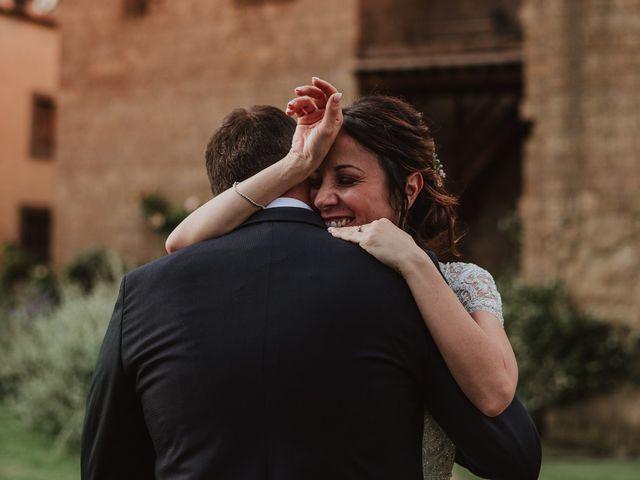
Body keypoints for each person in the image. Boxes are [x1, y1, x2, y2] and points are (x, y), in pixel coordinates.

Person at [82, 87, 541, 480]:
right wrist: (294, 163)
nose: (324, 197)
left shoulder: (432, 283)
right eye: (316, 180)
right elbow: (179, 240)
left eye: (346, 179)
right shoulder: (386, 287)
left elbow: (498, 407)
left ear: (410, 189)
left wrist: (414, 262)